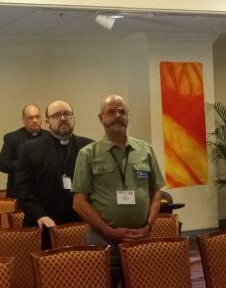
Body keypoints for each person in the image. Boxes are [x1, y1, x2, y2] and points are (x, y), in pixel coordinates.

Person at [72, 94, 165, 287]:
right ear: (101, 118)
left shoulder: (145, 150)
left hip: (140, 239)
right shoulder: (88, 154)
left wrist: (147, 226)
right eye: (111, 112)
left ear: (127, 116)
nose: (118, 116)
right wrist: (108, 230)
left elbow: (156, 192)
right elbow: (79, 203)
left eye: (122, 112)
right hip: (103, 240)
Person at [14, 101, 93, 249]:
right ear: (47, 121)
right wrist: (40, 215)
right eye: (56, 115)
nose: (63, 118)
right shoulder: (30, 149)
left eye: (67, 114)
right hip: (44, 226)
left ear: (73, 117)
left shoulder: (89, 147)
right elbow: (23, 189)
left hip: (82, 225)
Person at [0, 104, 46, 198]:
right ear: (23, 120)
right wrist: (25, 165)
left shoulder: (50, 137)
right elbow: (2, 164)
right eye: (30, 118)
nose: (34, 120)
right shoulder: (12, 138)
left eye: (37, 117)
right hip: (19, 192)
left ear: (41, 118)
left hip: (44, 193)